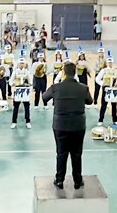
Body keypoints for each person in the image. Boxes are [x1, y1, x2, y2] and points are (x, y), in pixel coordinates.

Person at [43, 62, 93, 190]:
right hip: (78, 125)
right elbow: (90, 101)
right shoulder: (83, 88)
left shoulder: (56, 87)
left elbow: (44, 97)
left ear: (63, 73)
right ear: (75, 73)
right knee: (76, 154)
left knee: (61, 153)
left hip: (60, 125)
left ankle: (59, 180)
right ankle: (77, 180)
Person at [95, 52, 117, 126]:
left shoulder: (116, 71)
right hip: (106, 89)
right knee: (103, 105)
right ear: (106, 63)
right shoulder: (103, 71)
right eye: (109, 62)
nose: (110, 63)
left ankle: (115, 120)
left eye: (111, 62)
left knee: (114, 105)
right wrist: (102, 83)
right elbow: (97, 79)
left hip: (113, 90)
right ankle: (100, 120)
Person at [9, 57, 32, 129]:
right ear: (18, 64)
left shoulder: (27, 72)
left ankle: (28, 121)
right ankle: (14, 122)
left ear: (25, 64)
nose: (21, 65)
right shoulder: (15, 72)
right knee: (16, 107)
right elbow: (10, 81)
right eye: (20, 63)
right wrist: (13, 84)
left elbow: (31, 81)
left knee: (26, 107)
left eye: (23, 63)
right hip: (17, 91)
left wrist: (29, 84)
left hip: (25, 91)